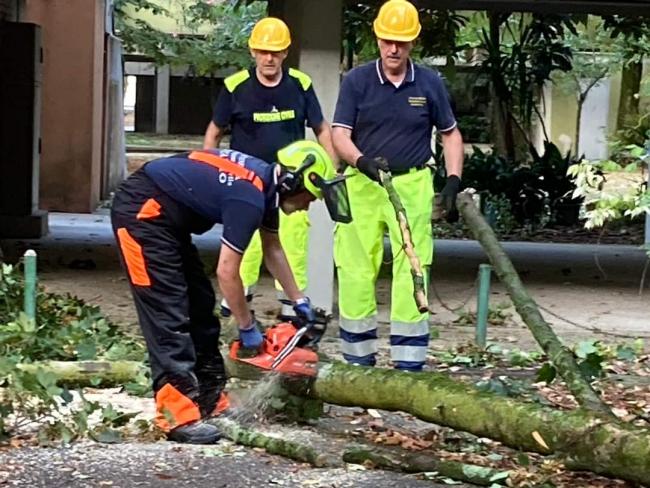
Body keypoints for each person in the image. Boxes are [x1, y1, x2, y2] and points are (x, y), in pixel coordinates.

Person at [111, 140, 347, 444]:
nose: (309, 204)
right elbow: (227, 272)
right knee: (167, 312)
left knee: (200, 304)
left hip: (167, 225)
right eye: (310, 197)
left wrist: (299, 301)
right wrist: (247, 326)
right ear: (294, 182)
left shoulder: (265, 188)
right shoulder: (249, 198)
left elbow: (272, 249)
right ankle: (177, 415)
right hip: (141, 215)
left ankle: (209, 401)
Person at [331, 0, 464, 372]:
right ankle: (357, 364)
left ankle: (409, 365)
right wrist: (360, 161)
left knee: (414, 266)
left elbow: (451, 135)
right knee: (356, 267)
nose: (394, 49)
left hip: (412, 184)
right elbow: (340, 133)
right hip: (362, 183)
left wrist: (453, 180)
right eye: (388, 40)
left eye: (401, 42)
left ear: (413, 43)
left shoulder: (429, 82)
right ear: (377, 38)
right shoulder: (357, 81)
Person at [203, 17, 337, 318]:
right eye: (263, 51)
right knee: (243, 249)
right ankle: (235, 312)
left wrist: (331, 174)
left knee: (291, 248)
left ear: (285, 52)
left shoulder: (300, 85)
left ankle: (293, 314)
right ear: (253, 52)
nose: (269, 57)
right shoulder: (236, 86)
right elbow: (214, 131)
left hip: (290, 188)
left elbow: (322, 129)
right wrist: (209, 173)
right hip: (245, 185)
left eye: (275, 51)